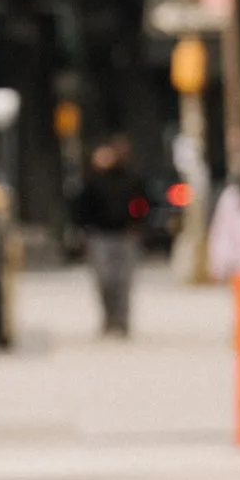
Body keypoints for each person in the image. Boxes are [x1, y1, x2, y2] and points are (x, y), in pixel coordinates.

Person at [72, 140, 146, 337]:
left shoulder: (131, 179)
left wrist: (137, 223)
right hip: (99, 235)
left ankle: (121, 320)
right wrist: (84, 229)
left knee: (124, 281)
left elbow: (141, 203)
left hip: (126, 234)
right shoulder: (90, 181)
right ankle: (108, 317)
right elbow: (81, 208)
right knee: (104, 279)